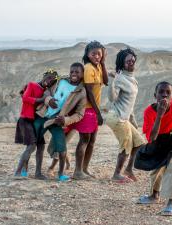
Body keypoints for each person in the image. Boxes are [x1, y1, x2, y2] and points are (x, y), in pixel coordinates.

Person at [135, 82, 172, 216]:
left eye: (168, 93)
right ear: (155, 96)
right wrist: (159, 115)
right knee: (156, 168)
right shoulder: (149, 112)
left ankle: (171, 203)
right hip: (158, 139)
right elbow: (152, 138)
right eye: (161, 92)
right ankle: (154, 195)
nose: (164, 95)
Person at [35, 63, 87, 181]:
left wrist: (65, 120)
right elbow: (47, 91)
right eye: (72, 71)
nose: (74, 74)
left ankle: (61, 174)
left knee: (62, 148)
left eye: (77, 72)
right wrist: (48, 100)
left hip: (56, 121)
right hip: (43, 115)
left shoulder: (81, 92)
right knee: (34, 143)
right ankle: (35, 172)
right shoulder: (61, 81)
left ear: (82, 74)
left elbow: (80, 114)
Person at [105, 48, 145, 183]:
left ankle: (128, 169)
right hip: (117, 117)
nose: (131, 62)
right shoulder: (120, 78)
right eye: (128, 61)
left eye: (133, 60)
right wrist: (112, 81)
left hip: (124, 118)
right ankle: (116, 174)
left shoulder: (131, 78)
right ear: (122, 63)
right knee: (126, 145)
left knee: (138, 143)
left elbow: (129, 102)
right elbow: (112, 98)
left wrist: (133, 119)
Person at [72, 41, 108, 179]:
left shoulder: (98, 66)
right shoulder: (88, 68)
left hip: (94, 108)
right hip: (87, 108)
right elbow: (89, 91)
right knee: (84, 140)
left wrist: (103, 63)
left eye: (99, 53)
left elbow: (106, 81)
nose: (97, 56)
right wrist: (98, 113)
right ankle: (77, 171)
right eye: (94, 53)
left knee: (92, 141)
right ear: (87, 54)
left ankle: (84, 169)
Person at [14, 70, 57, 179]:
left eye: (52, 80)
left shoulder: (45, 90)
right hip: (25, 119)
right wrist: (41, 99)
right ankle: (18, 172)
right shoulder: (32, 84)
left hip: (34, 121)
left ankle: (38, 173)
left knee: (41, 146)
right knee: (31, 146)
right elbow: (25, 98)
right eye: (48, 77)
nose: (50, 81)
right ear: (44, 76)